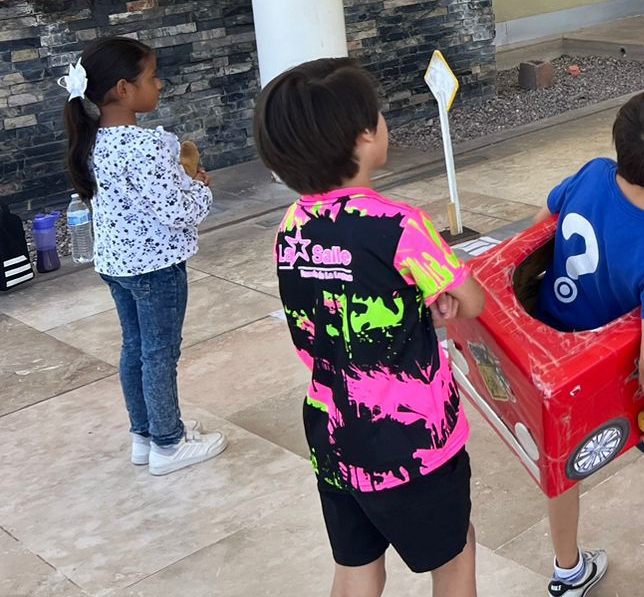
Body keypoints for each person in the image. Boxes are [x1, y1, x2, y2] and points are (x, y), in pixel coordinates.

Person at [257, 58, 486, 597]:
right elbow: (470, 300)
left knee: (358, 568)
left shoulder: (290, 227)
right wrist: (438, 299)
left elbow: (336, 301)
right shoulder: (400, 225)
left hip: (331, 426)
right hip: (409, 438)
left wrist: (412, 304)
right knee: (455, 554)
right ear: (363, 137)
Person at [532, 89, 644, 597]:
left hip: (557, 356)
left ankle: (568, 571)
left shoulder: (593, 172)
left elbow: (539, 230)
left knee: (565, 469)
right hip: (610, 380)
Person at [60, 36, 225, 476]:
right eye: (152, 77)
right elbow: (175, 211)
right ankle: (169, 444)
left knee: (135, 348)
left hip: (117, 265)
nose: (161, 85)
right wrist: (201, 189)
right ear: (122, 89)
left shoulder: (94, 141)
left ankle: (146, 434)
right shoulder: (145, 145)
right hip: (155, 268)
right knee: (159, 353)